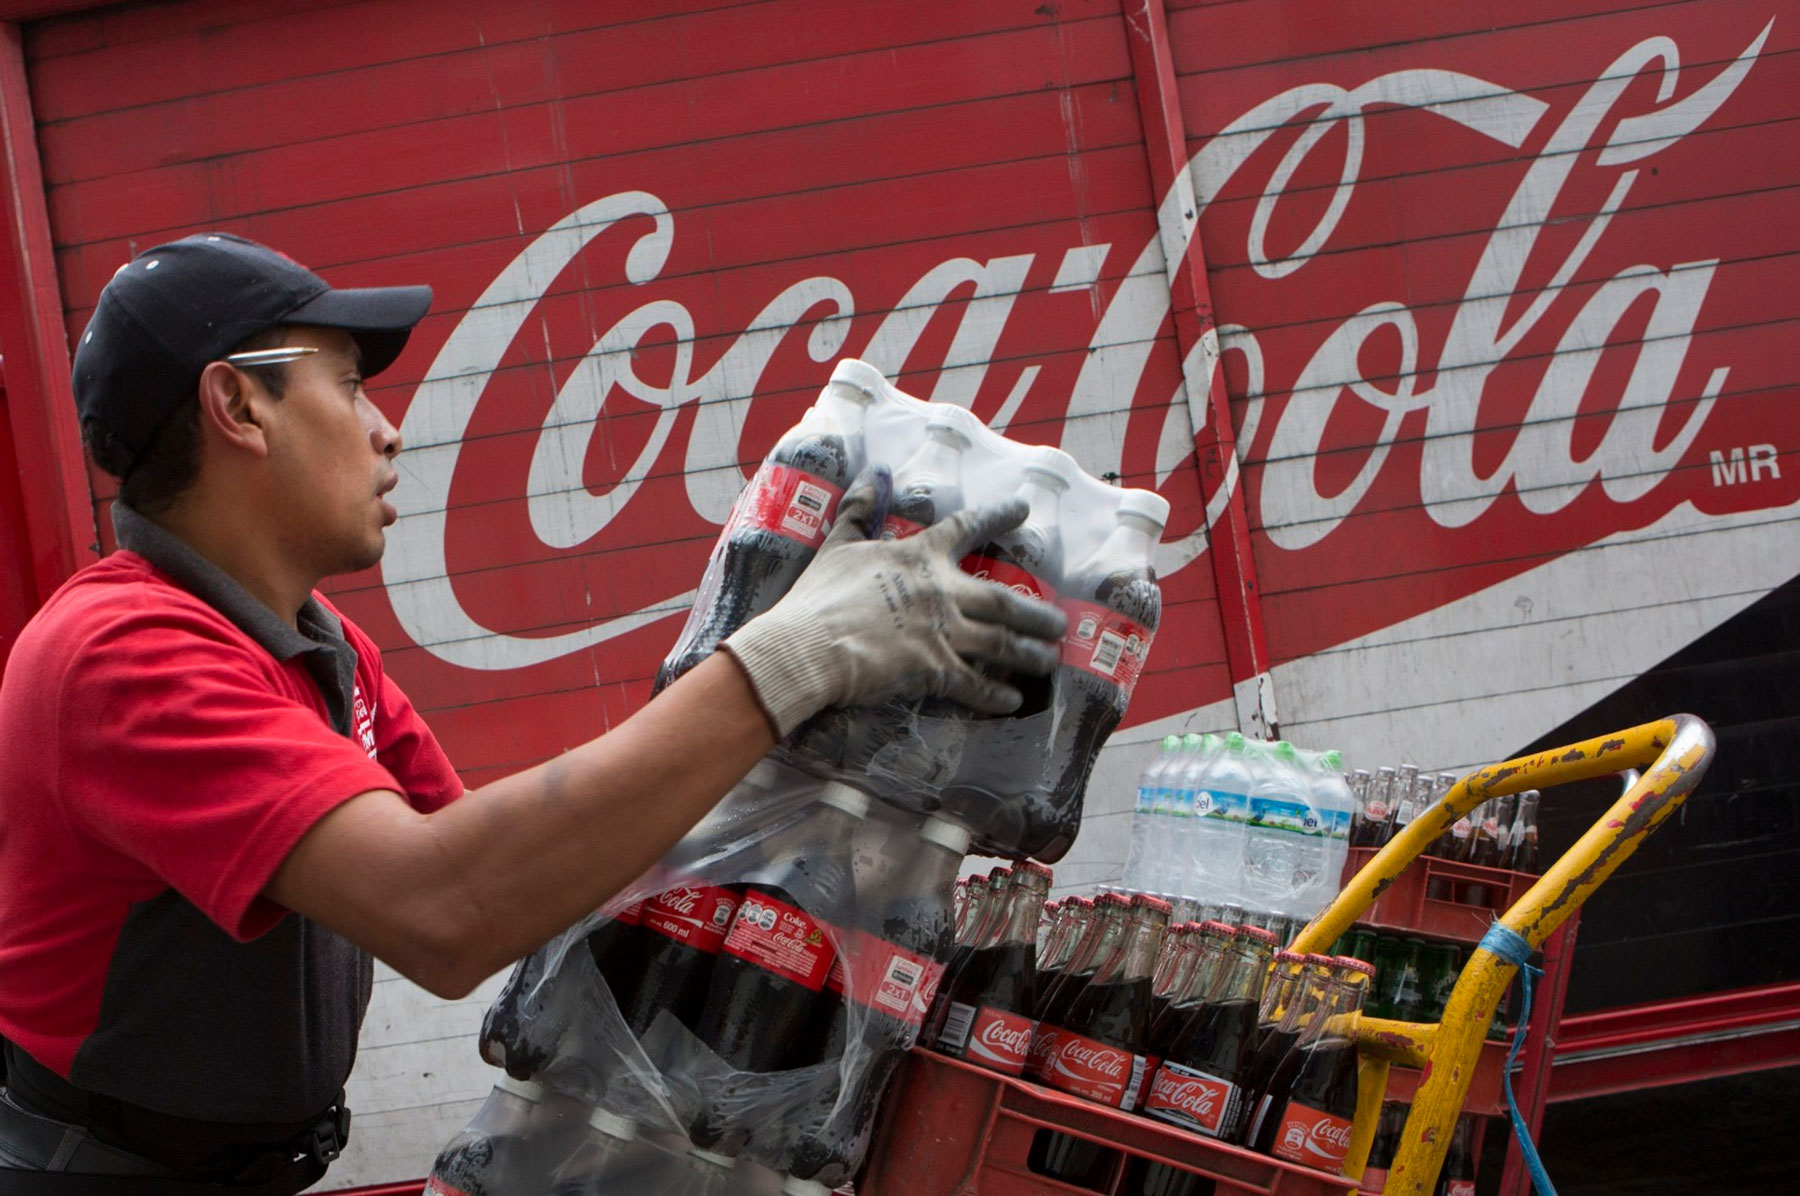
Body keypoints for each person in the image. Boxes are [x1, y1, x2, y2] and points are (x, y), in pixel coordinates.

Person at [0, 233, 1066, 1193]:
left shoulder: (316, 641)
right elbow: (447, 910)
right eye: (351, 383)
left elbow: (531, 871)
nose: (389, 427)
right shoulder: (124, 656)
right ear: (237, 405)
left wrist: (835, 818)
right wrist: (787, 655)